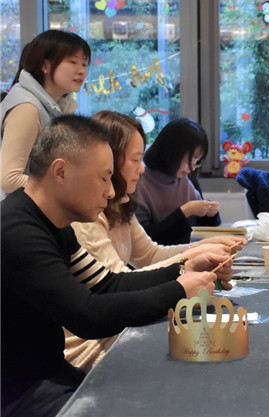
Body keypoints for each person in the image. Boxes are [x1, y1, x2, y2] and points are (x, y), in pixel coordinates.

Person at [1, 114, 233, 417]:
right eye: (103, 177)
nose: (111, 191)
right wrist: (178, 291)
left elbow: (108, 284)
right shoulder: (18, 232)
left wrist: (184, 269)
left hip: (51, 375)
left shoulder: (53, 225)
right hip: (22, 394)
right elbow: (88, 315)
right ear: (61, 171)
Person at [67, 110, 247, 369]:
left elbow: (150, 254)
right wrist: (187, 267)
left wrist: (202, 249)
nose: (141, 169)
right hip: (94, 341)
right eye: (135, 159)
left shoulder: (120, 203)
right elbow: (116, 283)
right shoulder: (85, 216)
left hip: (115, 325)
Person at [0, 29, 90, 193]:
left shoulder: (54, 105)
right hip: (15, 207)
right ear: (45, 65)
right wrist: (62, 189)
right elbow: (8, 179)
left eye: (84, 64)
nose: (81, 70)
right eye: (72, 62)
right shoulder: (27, 108)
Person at [135, 118, 221, 245]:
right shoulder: (139, 183)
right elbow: (144, 240)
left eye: (197, 161)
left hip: (188, 251)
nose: (192, 168)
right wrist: (185, 212)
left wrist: (210, 213)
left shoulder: (186, 180)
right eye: (190, 160)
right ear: (172, 153)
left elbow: (202, 227)